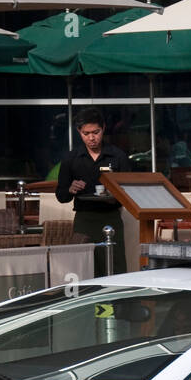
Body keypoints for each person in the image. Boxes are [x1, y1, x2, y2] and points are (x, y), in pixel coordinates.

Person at [56, 107, 131, 277]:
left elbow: (128, 194)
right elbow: (61, 196)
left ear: (103, 128)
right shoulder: (71, 158)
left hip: (111, 218)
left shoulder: (117, 156)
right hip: (84, 219)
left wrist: (115, 197)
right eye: (86, 133)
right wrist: (70, 188)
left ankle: (117, 303)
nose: (91, 138)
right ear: (78, 132)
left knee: (115, 267)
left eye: (95, 132)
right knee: (83, 269)